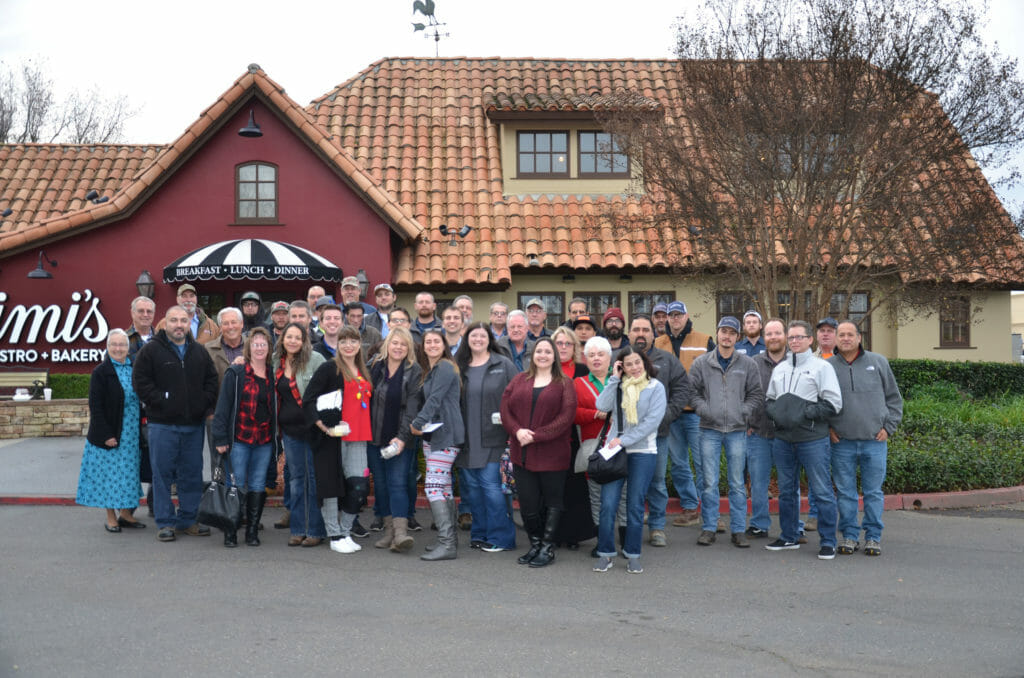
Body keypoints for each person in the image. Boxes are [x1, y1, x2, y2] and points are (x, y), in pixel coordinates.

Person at [133, 305, 218, 542]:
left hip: (193, 425)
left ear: (189, 323)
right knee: (162, 475)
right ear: (165, 323)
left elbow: (211, 380)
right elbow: (140, 382)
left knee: (191, 474)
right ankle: (165, 522)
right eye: (174, 320)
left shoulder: (199, 351)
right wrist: (162, 401)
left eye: (183, 320)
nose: (179, 325)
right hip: (162, 425)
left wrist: (202, 403)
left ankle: (188, 520)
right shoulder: (150, 351)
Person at [764, 320, 842, 560]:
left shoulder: (822, 367)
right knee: (787, 491)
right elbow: (770, 400)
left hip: (812, 439)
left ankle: (828, 542)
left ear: (810, 340)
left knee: (822, 491)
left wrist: (804, 413)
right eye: (791, 337)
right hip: (783, 440)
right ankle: (789, 536)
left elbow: (834, 403)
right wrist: (778, 415)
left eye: (799, 337)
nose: (795, 341)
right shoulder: (780, 368)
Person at [500, 336, 577, 567]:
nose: (543, 355)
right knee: (527, 502)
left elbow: (566, 417)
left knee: (553, 501)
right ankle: (535, 544)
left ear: (554, 356)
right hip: (522, 453)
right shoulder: (519, 379)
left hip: (552, 454)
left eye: (548, 351)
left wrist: (536, 435)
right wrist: (517, 431)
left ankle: (547, 547)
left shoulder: (564, 383)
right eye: (539, 351)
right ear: (533, 355)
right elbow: (505, 409)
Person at [828, 321, 903, 556]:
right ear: (836, 339)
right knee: (845, 493)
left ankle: (873, 537)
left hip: (874, 441)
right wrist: (828, 428)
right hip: (842, 443)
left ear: (859, 338)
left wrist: (889, 428)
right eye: (841, 335)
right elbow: (820, 401)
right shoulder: (827, 367)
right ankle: (849, 536)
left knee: (873, 493)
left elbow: (894, 399)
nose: (846, 338)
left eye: (850, 334)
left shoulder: (878, 362)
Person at [688, 316, 763, 548]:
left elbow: (756, 394)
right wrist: (705, 410)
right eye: (724, 331)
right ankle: (709, 528)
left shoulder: (748, 364)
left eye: (732, 333)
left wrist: (743, 411)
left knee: (737, 483)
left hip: (737, 430)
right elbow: (692, 392)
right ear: (718, 333)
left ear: (737, 337)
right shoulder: (701, 363)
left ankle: (738, 529)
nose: (727, 336)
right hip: (709, 429)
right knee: (709, 482)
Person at [592, 346, 667, 574]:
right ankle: (605, 553)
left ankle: (633, 554)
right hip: (614, 452)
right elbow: (601, 406)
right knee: (608, 504)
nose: (634, 368)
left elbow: (651, 423)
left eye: (637, 362)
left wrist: (624, 440)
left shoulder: (655, 387)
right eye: (628, 364)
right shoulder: (618, 385)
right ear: (621, 366)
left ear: (644, 363)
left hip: (643, 452)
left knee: (635, 505)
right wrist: (614, 379)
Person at [304, 325, 373, 554]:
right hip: (333, 438)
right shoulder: (329, 368)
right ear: (338, 345)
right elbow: (309, 399)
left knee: (359, 487)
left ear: (359, 345)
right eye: (343, 341)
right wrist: (323, 426)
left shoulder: (363, 370)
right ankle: (334, 535)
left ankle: (345, 531)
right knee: (331, 486)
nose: (348, 345)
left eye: (353, 341)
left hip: (359, 436)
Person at [627, 315, 691, 548]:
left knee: (657, 483)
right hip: (625, 437)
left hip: (658, 435)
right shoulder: (620, 359)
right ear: (629, 334)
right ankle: (627, 526)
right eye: (636, 329)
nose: (641, 334)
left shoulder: (667, 360)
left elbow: (682, 389)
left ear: (654, 334)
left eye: (646, 330)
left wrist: (666, 414)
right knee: (626, 483)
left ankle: (656, 527)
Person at [454, 322, 518, 552]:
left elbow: (518, 395)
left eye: (483, 336)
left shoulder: (503, 364)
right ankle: (480, 533)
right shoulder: (458, 366)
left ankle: (501, 538)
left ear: (489, 339)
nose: (478, 339)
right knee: (473, 491)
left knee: (491, 489)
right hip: (466, 440)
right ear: (467, 340)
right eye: (474, 335)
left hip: (495, 438)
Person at [211, 328, 277, 547]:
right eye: (255, 344)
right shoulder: (236, 372)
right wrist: (220, 438)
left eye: (263, 344)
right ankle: (230, 531)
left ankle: (252, 531)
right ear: (249, 348)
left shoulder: (273, 374)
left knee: (258, 484)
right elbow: (223, 407)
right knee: (235, 484)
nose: (259, 348)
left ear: (269, 348)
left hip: (263, 440)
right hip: (239, 439)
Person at [76, 329, 145, 532]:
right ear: (107, 347)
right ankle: (111, 517)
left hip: (131, 435)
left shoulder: (133, 368)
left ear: (128, 348)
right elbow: (95, 406)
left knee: (128, 476)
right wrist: (106, 434)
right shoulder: (101, 372)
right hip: (112, 433)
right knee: (110, 477)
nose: (118, 348)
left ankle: (126, 514)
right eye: (113, 344)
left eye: (122, 344)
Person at [654, 300, 713, 529]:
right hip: (670, 414)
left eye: (679, 314)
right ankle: (690, 507)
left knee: (703, 463)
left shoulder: (704, 341)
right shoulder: (658, 343)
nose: (675, 318)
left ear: (687, 316)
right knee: (679, 464)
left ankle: (710, 512)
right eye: (672, 315)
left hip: (696, 413)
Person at [366, 327, 422, 552]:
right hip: (374, 437)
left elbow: (412, 409)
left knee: (397, 483)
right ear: (387, 345)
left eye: (403, 344)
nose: (398, 347)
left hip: (400, 440)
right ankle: (389, 532)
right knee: (380, 486)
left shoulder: (414, 370)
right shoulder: (375, 366)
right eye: (395, 343)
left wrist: (401, 438)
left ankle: (400, 534)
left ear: (409, 348)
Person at [411, 328, 465, 560]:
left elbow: (435, 399)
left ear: (444, 345)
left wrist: (417, 423)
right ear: (423, 347)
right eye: (428, 342)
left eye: (436, 341)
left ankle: (447, 543)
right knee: (443, 487)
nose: (432, 345)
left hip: (446, 434)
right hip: (434, 435)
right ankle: (449, 540)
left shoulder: (444, 366)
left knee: (433, 488)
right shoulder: (431, 370)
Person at [273, 322, 327, 547]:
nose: (293, 341)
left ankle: (315, 530)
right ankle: (297, 529)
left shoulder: (316, 360)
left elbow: (328, 388)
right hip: (289, 431)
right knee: (295, 480)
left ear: (304, 340)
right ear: (283, 339)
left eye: (298, 337)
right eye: (289, 337)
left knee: (313, 480)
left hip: (313, 429)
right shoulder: (276, 361)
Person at [575, 336, 627, 556]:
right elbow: (573, 413)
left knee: (623, 496)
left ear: (610, 357)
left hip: (621, 447)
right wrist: (596, 414)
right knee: (596, 497)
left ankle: (626, 540)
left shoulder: (623, 380)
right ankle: (602, 542)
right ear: (585, 359)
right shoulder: (578, 384)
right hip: (593, 448)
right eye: (591, 355)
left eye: (601, 354)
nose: (596, 358)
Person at [550, 326, 596, 550]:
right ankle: (553, 533)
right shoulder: (545, 369)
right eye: (559, 343)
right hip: (550, 439)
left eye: (568, 343)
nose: (563, 347)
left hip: (576, 437)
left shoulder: (582, 370)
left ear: (575, 347)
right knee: (553, 488)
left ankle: (573, 535)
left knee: (575, 488)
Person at [746, 317, 787, 539]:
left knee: (788, 484)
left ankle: (793, 525)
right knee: (758, 483)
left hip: (788, 435)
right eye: (769, 334)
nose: (773, 337)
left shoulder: (795, 362)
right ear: (764, 337)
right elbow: (744, 394)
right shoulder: (753, 363)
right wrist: (746, 422)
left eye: (777, 333)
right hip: (758, 432)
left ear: (785, 336)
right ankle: (759, 524)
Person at [125, 295, 155, 514]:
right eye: (141, 311)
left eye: (149, 311)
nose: (145, 315)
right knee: (129, 460)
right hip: (130, 410)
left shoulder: (162, 338)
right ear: (132, 313)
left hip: (156, 409)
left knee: (158, 459)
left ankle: (157, 506)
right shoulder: (122, 339)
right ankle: (127, 511)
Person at [155, 284, 220, 343]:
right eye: (184, 296)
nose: (189, 300)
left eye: (192, 296)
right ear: (177, 299)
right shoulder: (164, 324)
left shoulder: (211, 325)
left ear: (196, 299)